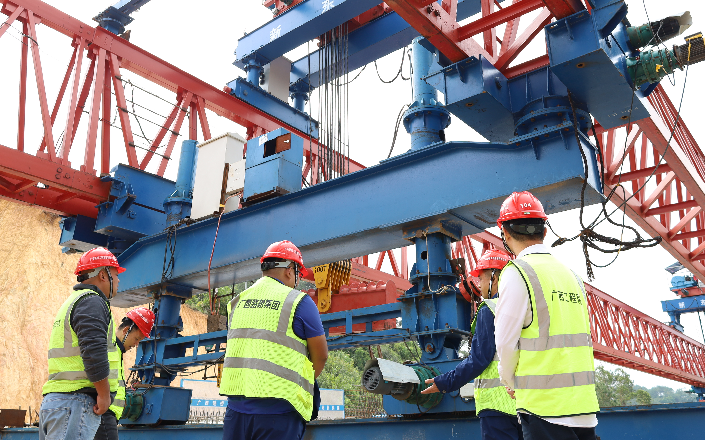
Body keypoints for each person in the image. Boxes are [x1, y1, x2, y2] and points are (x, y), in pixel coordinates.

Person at [493, 191, 599, 440]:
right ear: (545, 231)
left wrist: (510, 381)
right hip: (583, 407)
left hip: (544, 408)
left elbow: (505, 343)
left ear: (505, 233)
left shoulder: (517, 272)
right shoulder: (572, 276)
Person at [220, 240, 329, 440]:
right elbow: (321, 355)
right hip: (278, 414)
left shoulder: (236, 302)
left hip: (235, 413)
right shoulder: (299, 302)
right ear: (289, 270)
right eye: (298, 273)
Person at [421, 249, 523, 440]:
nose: (480, 286)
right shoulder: (525, 308)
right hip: (525, 404)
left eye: (481, 279)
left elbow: (479, 359)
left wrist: (445, 382)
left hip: (497, 407)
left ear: (494, 278)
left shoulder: (490, 309)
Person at [39, 247, 125, 440]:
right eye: (116, 274)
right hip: (75, 403)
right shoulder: (92, 302)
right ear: (103, 275)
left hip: (58, 403)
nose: (119, 280)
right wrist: (104, 395)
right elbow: (93, 352)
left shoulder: (72, 302)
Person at [94, 307, 155, 440]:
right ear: (126, 330)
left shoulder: (116, 350)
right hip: (104, 414)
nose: (136, 344)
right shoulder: (109, 347)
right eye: (137, 338)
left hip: (107, 415)